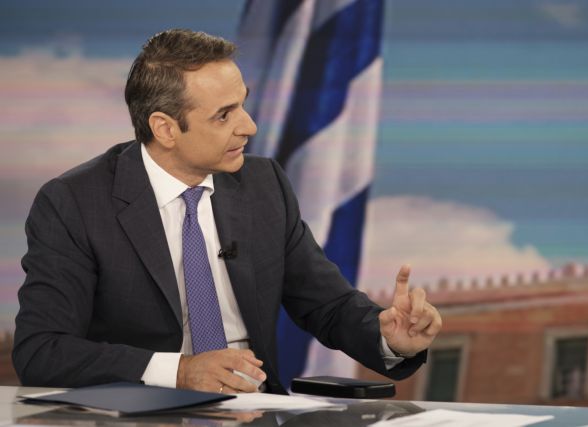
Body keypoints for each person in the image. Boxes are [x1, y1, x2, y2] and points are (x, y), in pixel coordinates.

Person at [12, 29, 441, 394]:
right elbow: (42, 350)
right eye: (224, 115)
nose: (249, 126)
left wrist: (389, 338)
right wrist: (179, 372)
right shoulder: (75, 203)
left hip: (256, 409)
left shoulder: (263, 184)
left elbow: (327, 305)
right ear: (165, 128)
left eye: (243, 104)